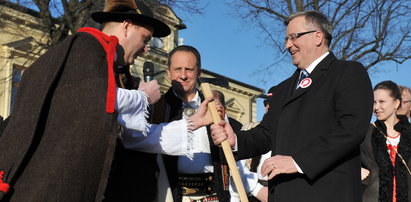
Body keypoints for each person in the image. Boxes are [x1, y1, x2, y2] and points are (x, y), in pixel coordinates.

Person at [0, 0, 171, 201]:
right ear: (127, 26)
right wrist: (143, 97)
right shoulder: (86, 46)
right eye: (145, 39)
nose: (146, 50)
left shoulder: (108, 62)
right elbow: (92, 98)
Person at [210, 10, 373, 201]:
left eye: (293, 37)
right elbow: (266, 133)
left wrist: (298, 162)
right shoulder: (283, 89)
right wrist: (236, 140)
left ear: (317, 36)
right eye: (286, 39)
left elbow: (351, 128)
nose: (288, 45)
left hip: (328, 193)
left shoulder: (347, 72)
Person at [142, 45, 230, 202]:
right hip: (169, 195)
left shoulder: (214, 107)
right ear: (168, 73)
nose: (183, 75)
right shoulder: (158, 108)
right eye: (177, 69)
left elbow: (231, 150)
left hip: (212, 196)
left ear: (199, 73)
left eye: (189, 69)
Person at [361, 80, 411, 202]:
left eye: (382, 102)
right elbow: (343, 157)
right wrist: (356, 169)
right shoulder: (365, 133)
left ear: (396, 103)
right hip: (371, 197)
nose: (376, 107)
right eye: (374, 102)